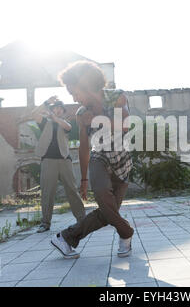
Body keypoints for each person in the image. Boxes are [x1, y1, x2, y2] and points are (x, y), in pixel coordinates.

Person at [50, 61, 134, 259]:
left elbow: (126, 124)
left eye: (74, 91)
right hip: (100, 158)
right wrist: (84, 179)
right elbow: (85, 146)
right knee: (102, 192)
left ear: (85, 84)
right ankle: (127, 233)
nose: (73, 97)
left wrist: (95, 120)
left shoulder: (117, 96)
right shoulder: (81, 113)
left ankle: (66, 238)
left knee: (107, 212)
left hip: (122, 161)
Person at [31, 96, 86, 233]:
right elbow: (33, 114)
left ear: (63, 111)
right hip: (48, 160)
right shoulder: (44, 122)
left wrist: (54, 117)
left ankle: (82, 219)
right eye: (55, 108)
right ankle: (45, 222)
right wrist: (46, 102)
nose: (58, 110)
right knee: (47, 192)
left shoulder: (65, 123)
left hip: (64, 160)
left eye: (60, 109)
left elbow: (67, 126)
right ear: (51, 109)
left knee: (72, 189)